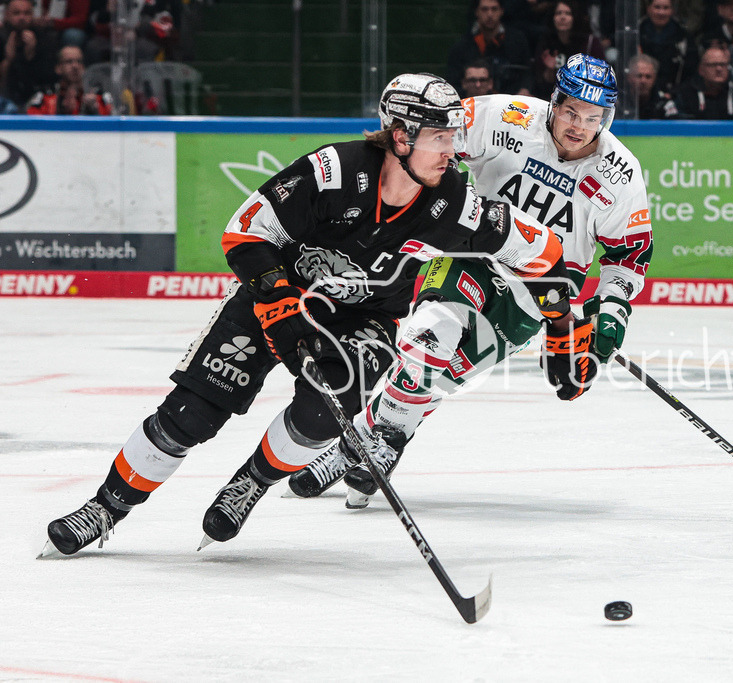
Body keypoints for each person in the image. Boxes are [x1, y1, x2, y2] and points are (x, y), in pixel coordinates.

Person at [42, 73, 584, 556]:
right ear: (401, 136)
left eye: (455, 135)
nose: (454, 150)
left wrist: (563, 331)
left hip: (367, 323)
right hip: (278, 300)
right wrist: (277, 300)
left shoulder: (458, 204)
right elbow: (245, 231)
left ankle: (251, 482)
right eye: (441, 137)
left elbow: (547, 260)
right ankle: (105, 508)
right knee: (191, 415)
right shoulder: (333, 171)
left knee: (324, 415)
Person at [287, 54, 653, 508]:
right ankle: (384, 444)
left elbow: (628, 255)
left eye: (594, 117)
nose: (580, 125)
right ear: (554, 103)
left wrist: (611, 313)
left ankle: (357, 442)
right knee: (430, 336)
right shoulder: (506, 116)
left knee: (441, 377)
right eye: (571, 111)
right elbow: (428, 145)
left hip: (536, 294)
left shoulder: (621, 172)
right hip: (472, 250)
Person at [447, 0, 534, 96]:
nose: (490, 14)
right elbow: (453, 82)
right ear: (476, 12)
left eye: (494, 9)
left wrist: (525, 89)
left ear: (501, 11)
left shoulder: (517, 41)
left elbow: (527, 72)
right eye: (484, 9)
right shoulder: (461, 47)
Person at [531, 0, 604, 98]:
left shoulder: (590, 43)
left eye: (568, 13)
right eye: (558, 13)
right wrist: (549, 69)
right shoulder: (546, 42)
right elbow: (542, 83)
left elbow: (600, 78)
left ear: (575, 17)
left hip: (583, 98)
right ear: (553, 18)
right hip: (552, 97)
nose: (562, 17)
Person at [675, 45, 733, 119]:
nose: (719, 69)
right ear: (701, 69)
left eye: (723, 64)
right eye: (713, 65)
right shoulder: (686, 94)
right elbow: (678, 125)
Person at [0, 0, 59, 108]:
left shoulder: (44, 38)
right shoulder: (1, 37)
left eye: (26, 13)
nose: (22, 17)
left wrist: (30, 56)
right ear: (6, 15)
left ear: (33, 15)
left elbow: (47, 79)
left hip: (35, 98)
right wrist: (8, 60)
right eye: (16, 13)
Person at [26, 45, 112, 114]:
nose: (75, 66)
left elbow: (114, 126)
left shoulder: (100, 96)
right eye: (69, 61)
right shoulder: (45, 96)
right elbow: (31, 127)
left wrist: (94, 110)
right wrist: (59, 110)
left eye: (79, 61)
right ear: (58, 68)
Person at [639, 0, 699, 91]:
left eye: (666, 8)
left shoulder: (683, 37)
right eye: (657, 7)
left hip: (673, 93)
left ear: (672, 11)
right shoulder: (636, 34)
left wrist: (674, 93)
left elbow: (691, 72)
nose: (661, 12)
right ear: (648, 9)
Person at [624, 53, 680, 118]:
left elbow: (674, 126)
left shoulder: (665, 104)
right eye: (639, 76)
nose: (643, 81)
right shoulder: (617, 103)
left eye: (648, 77)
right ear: (629, 77)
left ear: (654, 79)